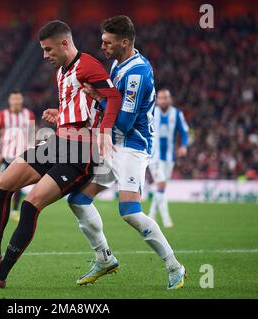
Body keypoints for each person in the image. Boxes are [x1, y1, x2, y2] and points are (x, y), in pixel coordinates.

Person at [0, 20, 122, 290]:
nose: (45, 56)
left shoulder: (89, 65)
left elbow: (114, 98)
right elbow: (83, 108)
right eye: (42, 50)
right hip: (59, 141)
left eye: (48, 50)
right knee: (1, 184)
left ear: (64, 43)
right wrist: (60, 115)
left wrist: (105, 131)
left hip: (80, 152)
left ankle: (0, 274)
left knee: (30, 204)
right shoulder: (62, 72)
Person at [59, 16, 186, 289]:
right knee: (78, 200)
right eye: (102, 41)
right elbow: (110, 107)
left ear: (125, 42)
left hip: (131, 146)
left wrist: (98, 98)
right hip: (111, 143)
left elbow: (125, 122)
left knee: (129, 211)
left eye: (107, 42)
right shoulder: (119, 63)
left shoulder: (136, 73)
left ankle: (174, 265)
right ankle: (104, 258)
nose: (102, 46)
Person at [148, 89, 189, 228]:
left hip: (169, 158)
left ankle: (151, 214)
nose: (162, 100)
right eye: (160, 98)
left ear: (170, 99)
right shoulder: (152, 112)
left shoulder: (177, 114)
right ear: (157, 100)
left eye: (165, 98)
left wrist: (183, 145)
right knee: (161, 184)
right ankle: (166, 219)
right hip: (154, 157)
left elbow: (184, 132)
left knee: (161, 188)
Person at [0, 90, 36, 222]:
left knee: (18, 184)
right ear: (9, 100)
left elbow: (31, 134)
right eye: (14, 99)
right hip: (6, 155)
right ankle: (0, 209)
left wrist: (32, 150)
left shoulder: (29, 114)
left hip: (22, 155)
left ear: (21, 100)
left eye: (18, 99)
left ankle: (15, 210)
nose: (16, 102)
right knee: (1, 182)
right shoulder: (2, 115)